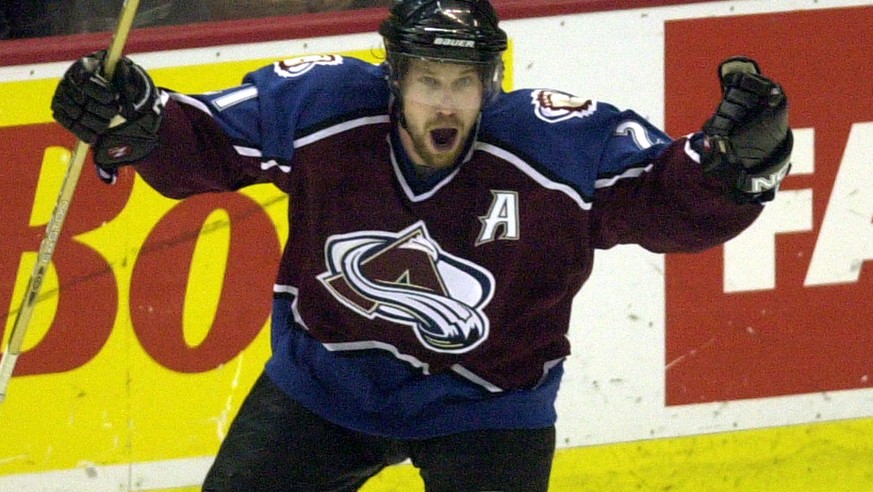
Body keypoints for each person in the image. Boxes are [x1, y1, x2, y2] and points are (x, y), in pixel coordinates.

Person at [49, 0, 793, 490]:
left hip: (489, 407)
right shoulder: (321, 108)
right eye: (428, 80)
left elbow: (670, 203)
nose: (445, 101)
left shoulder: (555, 146)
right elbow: (200, 144)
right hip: (326, 388)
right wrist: (134, 122)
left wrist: (738, 166)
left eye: (462, 84)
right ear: (393, 79)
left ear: (490, 85)